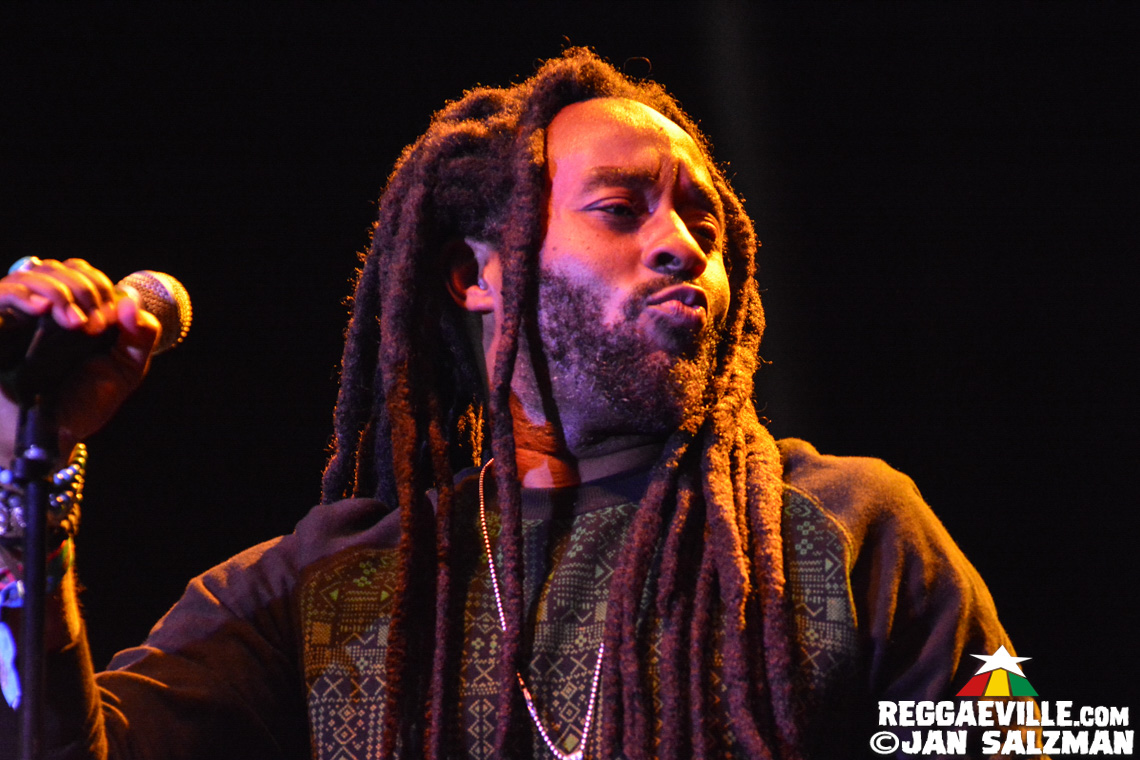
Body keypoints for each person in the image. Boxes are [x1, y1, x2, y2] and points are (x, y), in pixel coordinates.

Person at [0, 48, 1020, 759]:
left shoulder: (854, 526)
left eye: (705, 226)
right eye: (620, 209)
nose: (683, 247)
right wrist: (22, 475)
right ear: (475, 276)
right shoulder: (341, 584)